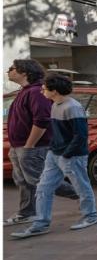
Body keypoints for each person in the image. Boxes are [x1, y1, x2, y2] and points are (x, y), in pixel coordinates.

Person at [11, 73, 97, 239]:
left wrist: (66, 155)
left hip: (72, 156)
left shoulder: (72, 107)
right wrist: (52, 151)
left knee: (81, 186)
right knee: (43, 188)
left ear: (55, 91)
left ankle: (91, 216)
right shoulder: (55, 105)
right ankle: (41, 223)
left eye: (45, 88)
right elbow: (58, 133)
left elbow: (80, 135)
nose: (42, 91)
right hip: (55, 154)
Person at [5, 60, 76, 227]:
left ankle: (80, 193)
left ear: (24, 72)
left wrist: (29, 145)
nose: (8, 71)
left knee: (40, 181)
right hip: (19, 146)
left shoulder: (36, 92)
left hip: (33, 147)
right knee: (23, 182)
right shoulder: (25, 91)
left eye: (12, 68)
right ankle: (27, 213)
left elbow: (42, 120)